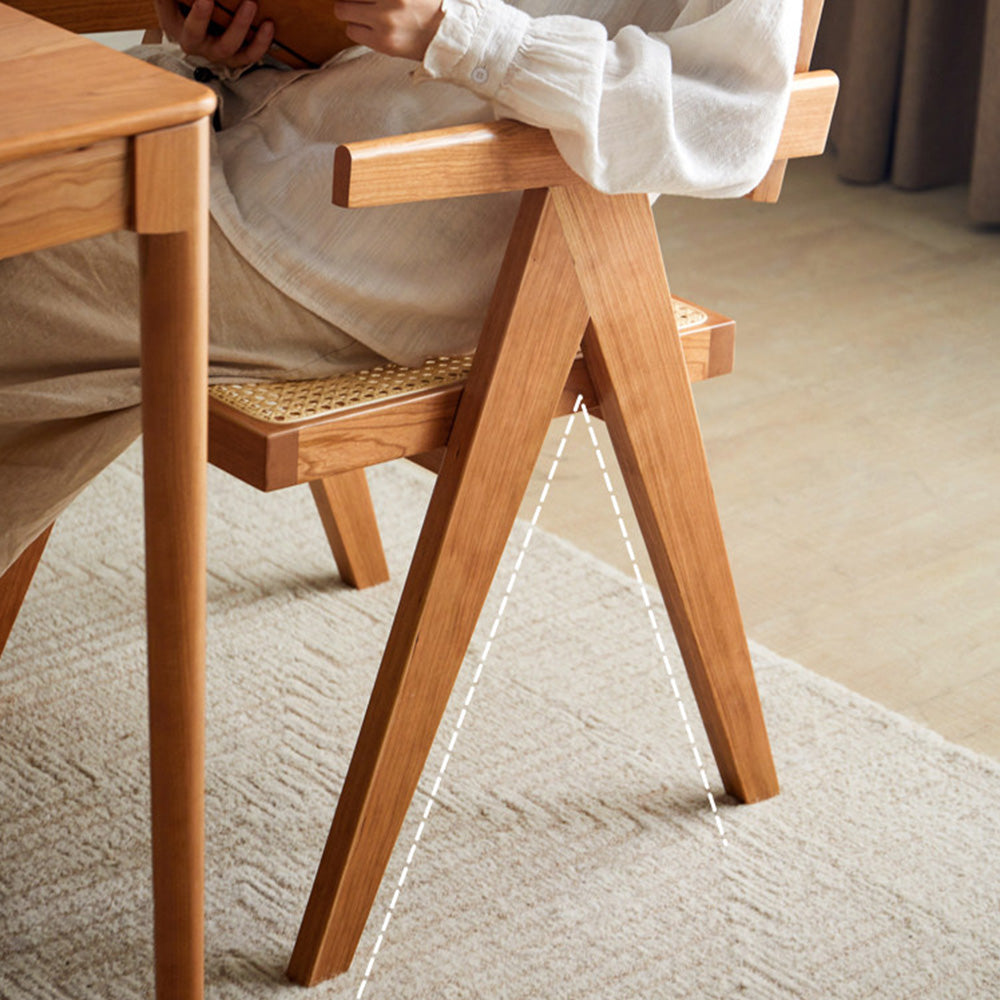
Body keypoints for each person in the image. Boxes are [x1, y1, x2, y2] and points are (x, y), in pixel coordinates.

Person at [0, 0, 802, 574]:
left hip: (355, 239)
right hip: (248, 123)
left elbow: (725, 121)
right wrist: (246, 37)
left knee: (17, 256)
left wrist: (457, 31)